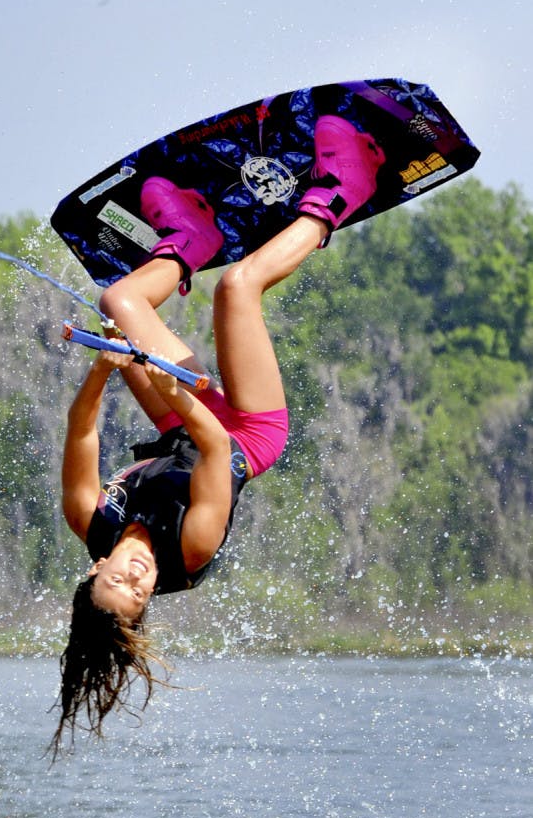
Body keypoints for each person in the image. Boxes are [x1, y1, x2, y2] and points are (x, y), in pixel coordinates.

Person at [51, 115, 385, 750]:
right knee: (238, 288)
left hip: (182, 419)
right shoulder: (191, 549)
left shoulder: (89, 518)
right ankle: (344, 186)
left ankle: (188, 235)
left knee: (119, 306)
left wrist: (105, 368)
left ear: (95, 569)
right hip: (243, 434)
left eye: (118, 580)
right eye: (140, 592)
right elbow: (214, 445)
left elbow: (82, 429)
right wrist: (169, 380)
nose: (137, 577)